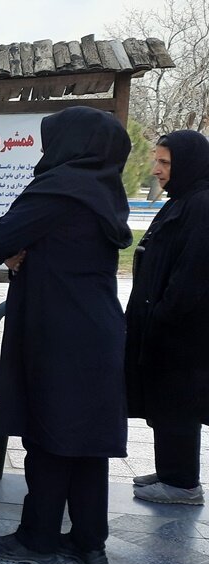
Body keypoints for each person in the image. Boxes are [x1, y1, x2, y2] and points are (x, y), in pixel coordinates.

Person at [0, 107, 132, 564]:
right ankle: (89, 543)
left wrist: (16, 253)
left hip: (58, 331)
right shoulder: (106, 190)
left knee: (49, 432)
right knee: (88, 440)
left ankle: (39, 538)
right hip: (99, 330)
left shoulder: (59, 187)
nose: (45, 150)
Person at [125, 130, 209, 506]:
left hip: (182, 332)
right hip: (167, 327)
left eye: (165, 162)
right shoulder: (184, 199)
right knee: (165, 400)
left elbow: (193, 274)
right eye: (156, 160)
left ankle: (182, 484)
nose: (156, 169)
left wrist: (162, 315)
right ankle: (171, 471)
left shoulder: (202, 205)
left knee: (178, 402)